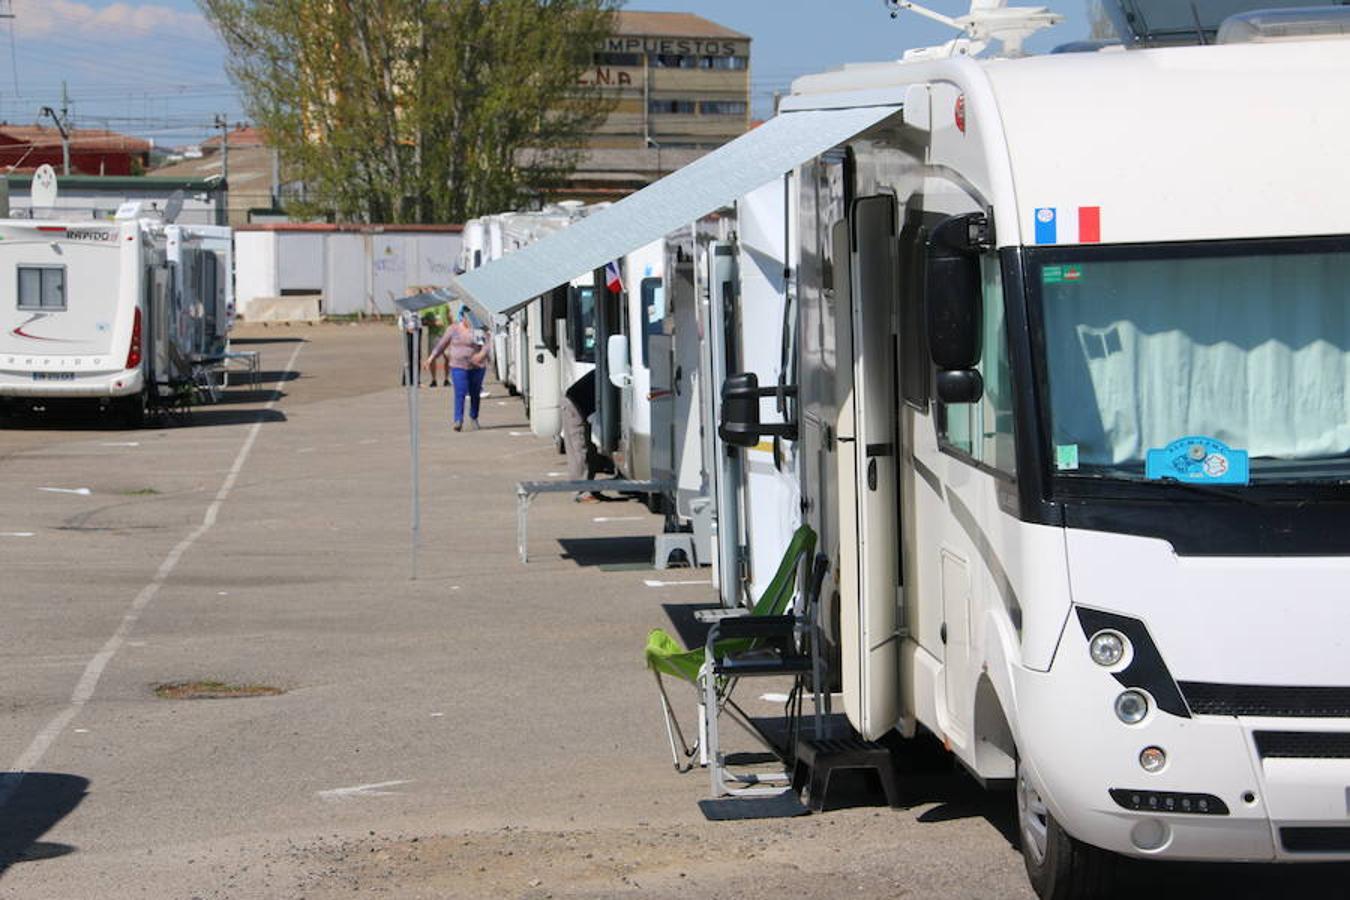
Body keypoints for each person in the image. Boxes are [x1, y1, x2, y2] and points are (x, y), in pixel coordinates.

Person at [426, 306, 490, 431]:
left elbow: (487, 345)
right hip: (458, 366)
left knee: (475, 393)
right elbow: (441, 345)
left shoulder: (479, 329)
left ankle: (474, 417)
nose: (470, 320)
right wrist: (431, 358)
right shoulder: (453, 329)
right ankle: (458, 420)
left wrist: (481, 355)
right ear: (463, 316)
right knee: (460, 392)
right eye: (468, 317)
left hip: (477, 366)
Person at [561, 369, 606, 502]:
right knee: (579, 451)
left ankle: (588, 487)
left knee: (590, 451)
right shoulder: (609, 377)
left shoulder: (605, 373)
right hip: (573, 406)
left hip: (578, 406)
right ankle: (580, 492)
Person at [421, 301, 449, 386]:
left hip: (445, 334)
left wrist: (453, 326)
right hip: (433, 335)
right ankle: (433, 380)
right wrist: (433, 323)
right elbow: (423, 321)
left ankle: (446, 379)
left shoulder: (444, 304)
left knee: (448, 357)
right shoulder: (426, 307)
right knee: (432, 358)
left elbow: (449, 315)